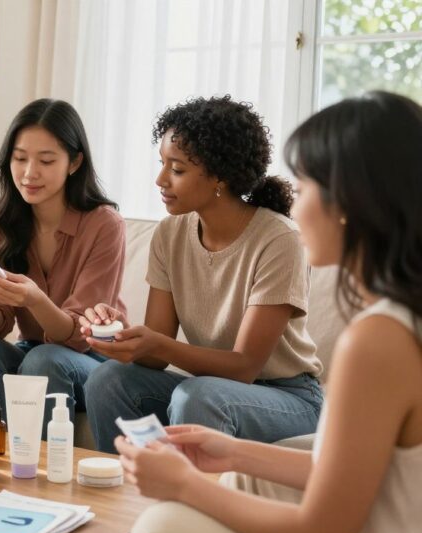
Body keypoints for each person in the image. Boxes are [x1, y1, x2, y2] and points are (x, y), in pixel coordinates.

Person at [121, 90, 422, 533]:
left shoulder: (378, 342)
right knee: (243, 478)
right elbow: (352, 476)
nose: (294, 208)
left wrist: (186, 485)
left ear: (349, 204)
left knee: (161, 529)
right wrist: (232, 450)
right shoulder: (403, 318)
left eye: (304, 189)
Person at [81, 96, 324, 453]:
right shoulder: (170, 234)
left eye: (177, 170)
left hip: (287, 396)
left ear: (220, 177)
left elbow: (244, 367)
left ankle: (189, 506)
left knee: (197, 396)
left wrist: (155, 342)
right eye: (162, 164)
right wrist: (122, 335)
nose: (160, 179)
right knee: (108, 380)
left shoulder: (278, 239)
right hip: (209, 386)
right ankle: (126, 496)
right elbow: (155, 355)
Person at [0, 98, 126, 429]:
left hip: (94, 357)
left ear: (74, 163)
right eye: (20, 159)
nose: (29, 173)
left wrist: (36, 299)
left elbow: (80, 335)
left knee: (45, 360)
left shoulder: (104, 224)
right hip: (33, 349)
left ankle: (39, 474)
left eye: (46, 161)